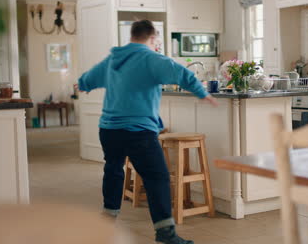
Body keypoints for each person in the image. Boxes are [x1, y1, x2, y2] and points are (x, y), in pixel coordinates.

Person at [77, 20, 218, 244]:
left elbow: (89, 78)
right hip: (138, 131)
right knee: (157, 177)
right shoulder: (150, 58)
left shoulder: (113, 59)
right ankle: (165, 233)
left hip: (109, 129)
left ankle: (106, 223)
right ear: (151, 38)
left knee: (113, 169)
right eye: (157, 42)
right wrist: (203, 94)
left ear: (132, 35)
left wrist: (82, 85)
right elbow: (182, 74)